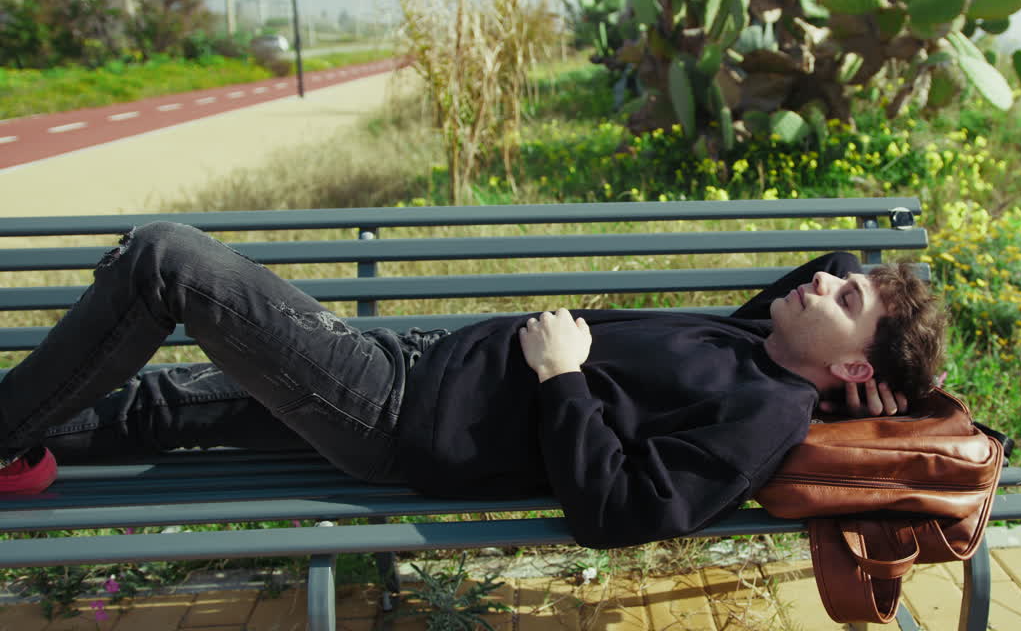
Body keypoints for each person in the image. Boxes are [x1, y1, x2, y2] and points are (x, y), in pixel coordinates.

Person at [0, 221, 946, 547]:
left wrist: (562, 380)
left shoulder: (763, 412)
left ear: (853, 358)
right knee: (167, 408)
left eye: (846, 295)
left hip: (395, 410)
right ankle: (24, 457)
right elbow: (831, 259)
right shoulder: (764, 343)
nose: (823, 279)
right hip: (411, 367)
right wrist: (867, 362)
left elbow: (625, 512)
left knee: (172, 262)